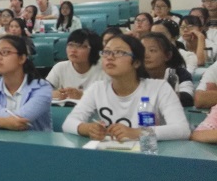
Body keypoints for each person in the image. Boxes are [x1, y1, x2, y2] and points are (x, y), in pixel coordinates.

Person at [62, 35, 190, 141]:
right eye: (106, 52)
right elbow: (68, 123)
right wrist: (87, 128)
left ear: (137, 62)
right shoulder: (97, 89)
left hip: (150, 155)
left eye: (119, 52)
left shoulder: (159, 88)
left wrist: (137, 133)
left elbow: (182, 129)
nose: (110, 57)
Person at [47, 29, 105, 101]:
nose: (73, 50)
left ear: (93, 50)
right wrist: (53, 94)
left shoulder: (103, 70)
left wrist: (82, 95)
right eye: (70, 45)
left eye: (80, 46)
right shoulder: (60, 67)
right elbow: (42, 91)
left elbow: (109, 98)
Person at [141, 33, 194, 106]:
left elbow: (187, 97)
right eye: (142, 50)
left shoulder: (180, 73)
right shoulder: (134, 74)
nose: (145, 55)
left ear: (168, 55)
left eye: (152, 50)